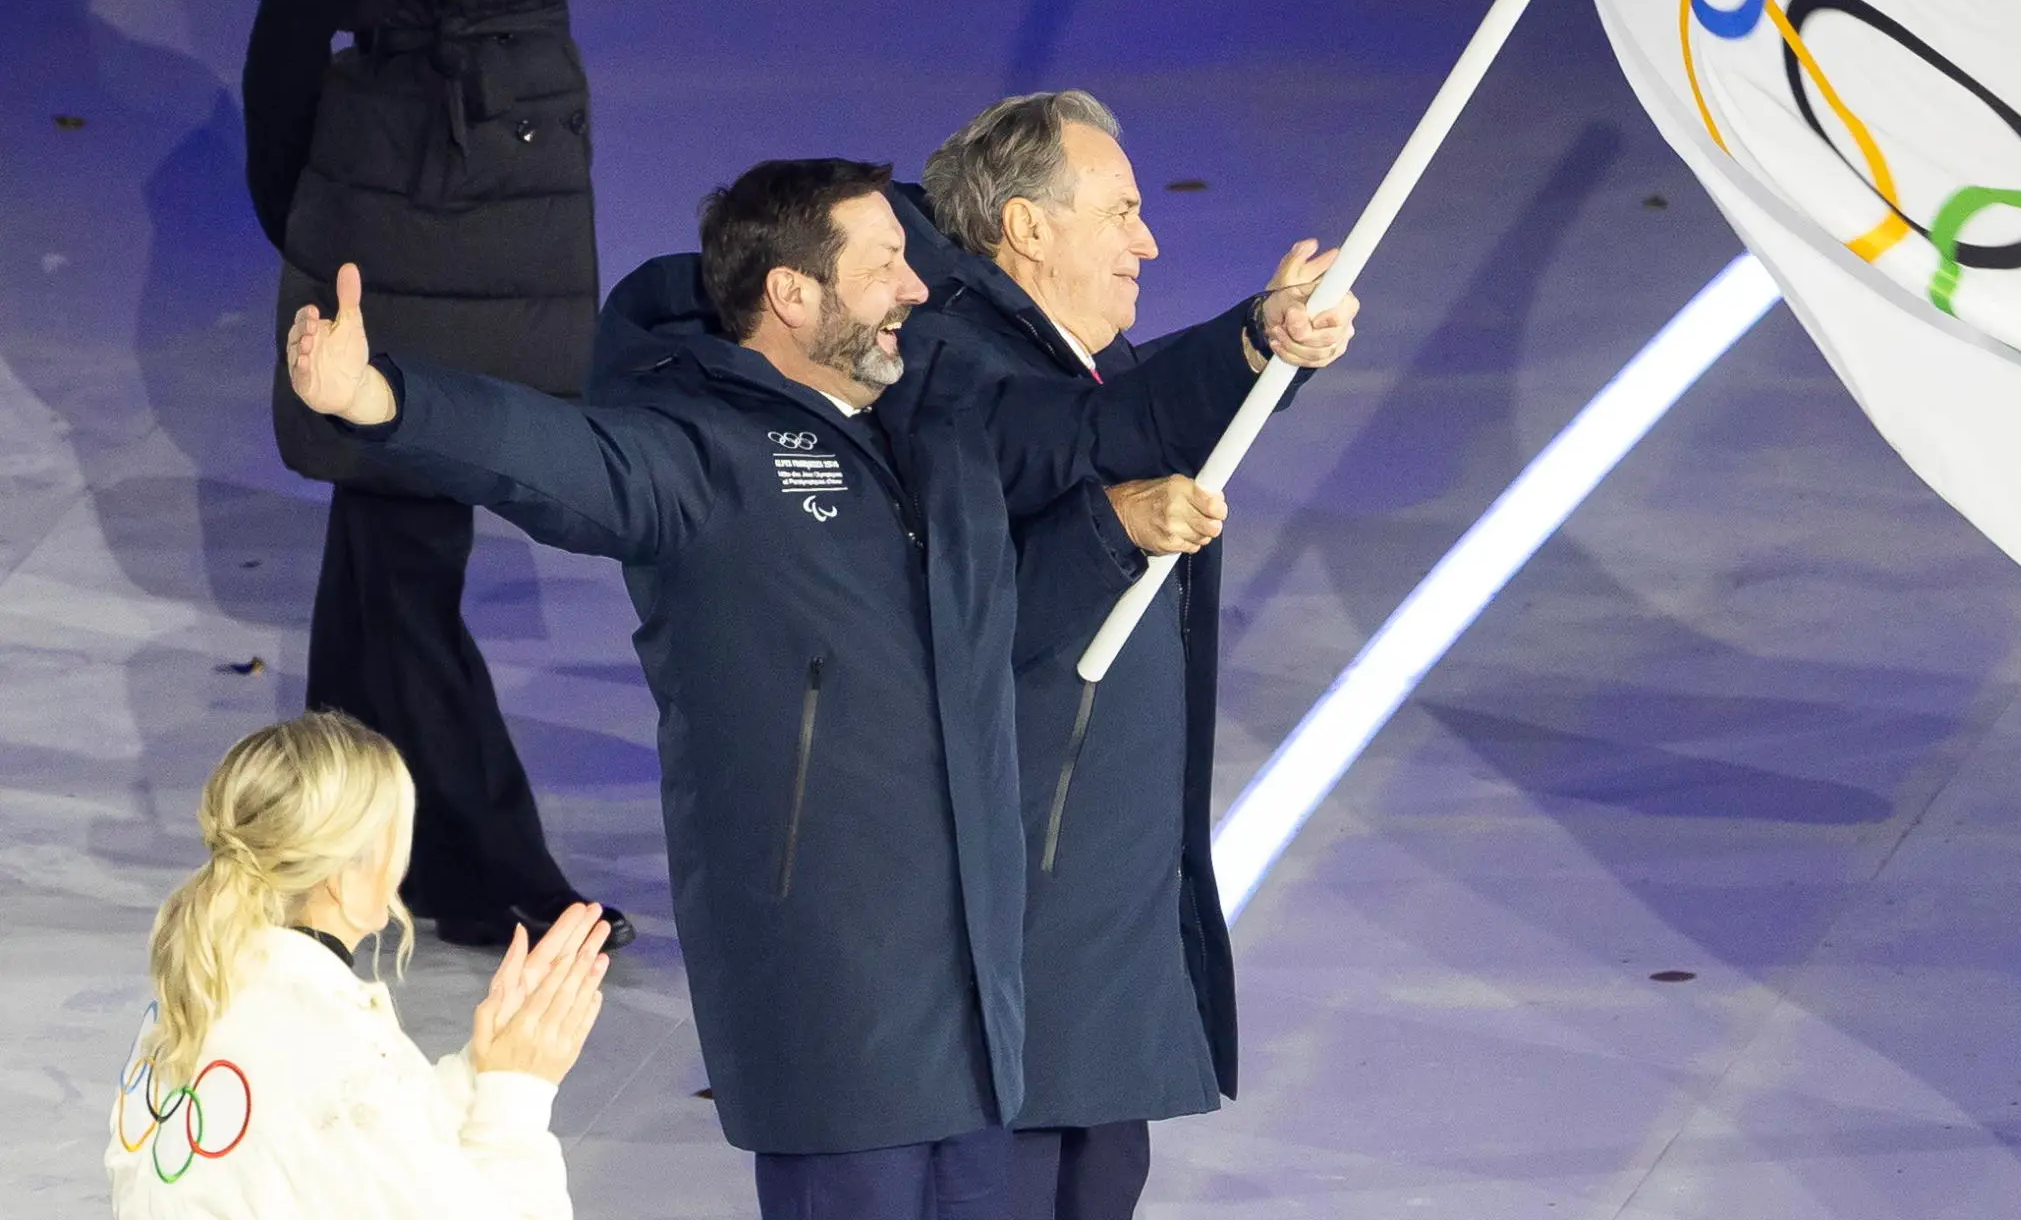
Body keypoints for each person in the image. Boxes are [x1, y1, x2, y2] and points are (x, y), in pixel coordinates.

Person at [281, 159, 1354, 1217]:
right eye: (886, 263)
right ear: (795, 293)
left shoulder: (947, 431)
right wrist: (378, 395)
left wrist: (1256, 339)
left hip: (976, 1003)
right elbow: (546, 452)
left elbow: (1101, 423)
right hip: (835, 998)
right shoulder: (700, 453)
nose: (920, 288)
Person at [243, 0, 620, 952]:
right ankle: (497, 875)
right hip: (402, 228)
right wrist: (305, 218)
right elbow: (286, 47)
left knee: (385, 551)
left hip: (504, 213)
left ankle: (323, 843)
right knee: (410, 546)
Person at [914, 93, 1337, 1219]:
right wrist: (1246, 345)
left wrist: (1276, 353)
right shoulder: (957, 368)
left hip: (1102, 910)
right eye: (1122, 211)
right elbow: (1076, 455)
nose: (1148, 240)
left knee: (1099, 1176)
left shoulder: (1069, 359)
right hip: (1029, 910)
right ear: (1028, 227)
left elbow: (1141, 410)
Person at [105, 711, 611, 1219]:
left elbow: (353, 1151)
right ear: (348, 875)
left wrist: (480, 1069)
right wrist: (517, 1095)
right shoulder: (336, 1051)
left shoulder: (196, 994)